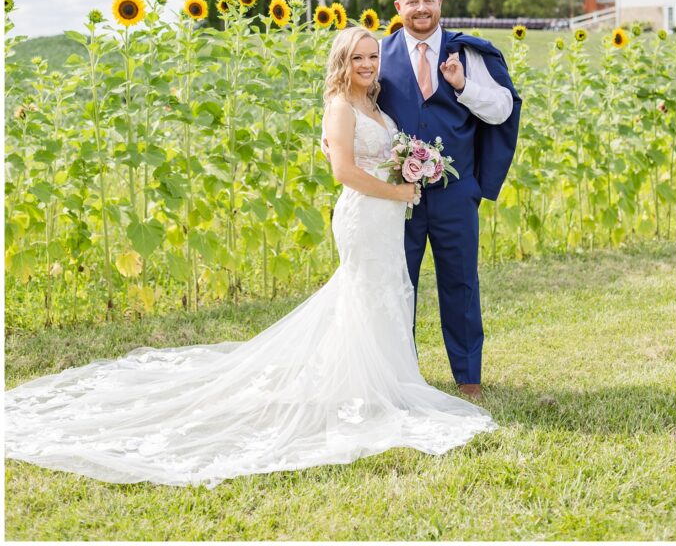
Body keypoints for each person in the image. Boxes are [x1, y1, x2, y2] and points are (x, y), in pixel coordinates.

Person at [5, 26, 497, 488]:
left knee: (388, 293)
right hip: (365, 215)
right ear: (341, 62)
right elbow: (344, 171)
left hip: (386, 217)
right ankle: (365, 388)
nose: (368, 64)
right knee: (367, 293)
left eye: (372, 56)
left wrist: (409, 169)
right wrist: (399, 192)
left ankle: (386, 380)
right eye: (357, 57)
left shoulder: (370, 103)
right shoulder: (340, 107)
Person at [378, 0, 521, 402]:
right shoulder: (377, 54)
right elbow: (351, 104)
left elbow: (501, 110)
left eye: (428, 1)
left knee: (460, 283)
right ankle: (401, 373)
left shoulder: (469, 53)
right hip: (394, 195)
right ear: (398, 7)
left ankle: (469, 378)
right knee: (397, 283)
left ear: (440, 2)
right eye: (411, 2)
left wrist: (462, 85)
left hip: (455, 193)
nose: (420, 9)